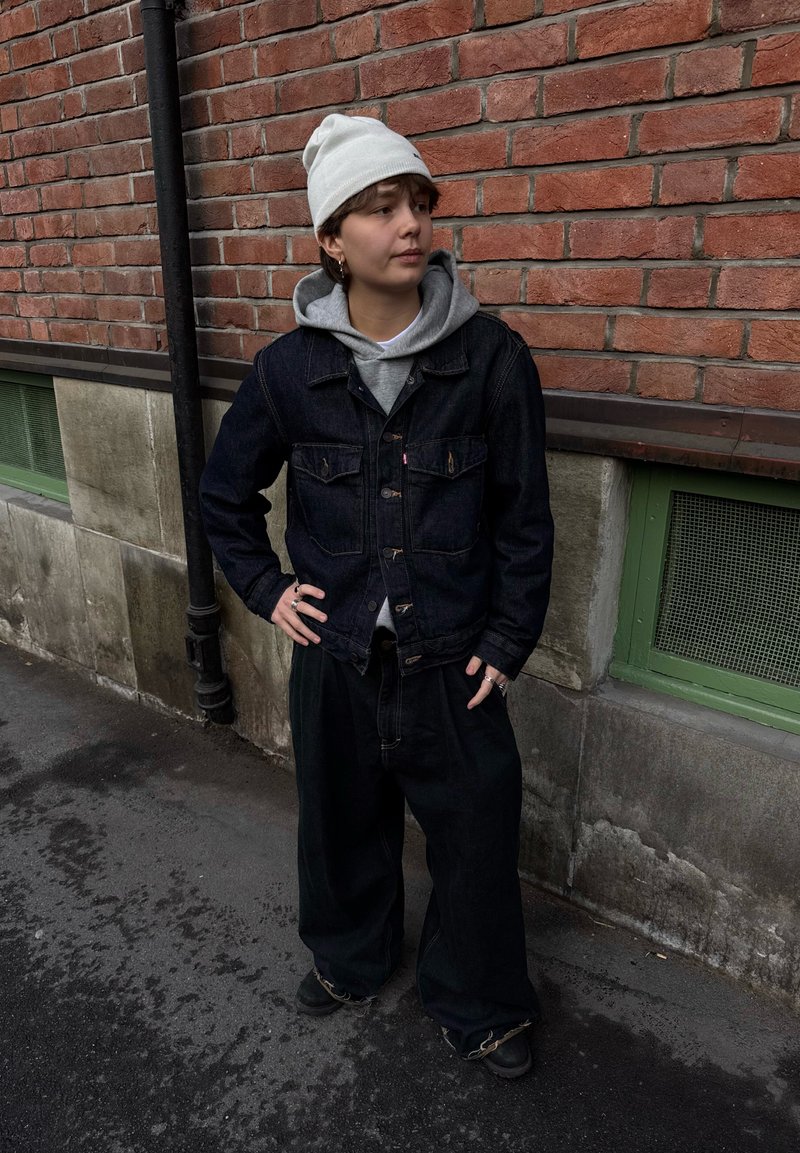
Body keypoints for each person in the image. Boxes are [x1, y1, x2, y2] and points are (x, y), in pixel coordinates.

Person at [199, 114, 554, 1079]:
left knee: (476, 833)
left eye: (418, 205)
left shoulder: (490, 361)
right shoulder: (288, 372)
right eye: (380, 208)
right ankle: (350, 958)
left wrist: (510, 638)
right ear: (330, 240)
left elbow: (524, 520)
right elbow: (226, 498)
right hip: (340, 650)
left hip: (454, 656)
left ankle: (478, 999)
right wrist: (270, 591)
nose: (409, 225)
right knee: (340, 819)